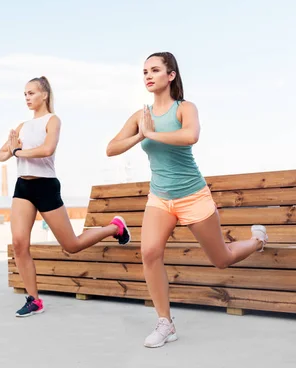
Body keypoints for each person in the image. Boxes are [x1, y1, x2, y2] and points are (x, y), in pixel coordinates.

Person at [106, 52, 268, 348]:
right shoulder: (141, 116)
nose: (148, 76)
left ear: (171, 75)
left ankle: (257, 241)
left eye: (155, 70)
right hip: (160, 197)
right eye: (144, 72)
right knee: (150, 253)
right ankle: (165, 322)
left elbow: (190, 136)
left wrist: (151, 134)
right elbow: (111, 148)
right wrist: (140, 134)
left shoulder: (185, 109)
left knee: (222, 259)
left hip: (193, 195)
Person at [0, 76, 131, 318]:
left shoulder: (53, 120)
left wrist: (17, 150)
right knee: (19, 243)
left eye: (31, 93)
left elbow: (46, 150)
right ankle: (34, 300)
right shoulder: (21, 126)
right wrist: (10, 146)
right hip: (23, 188)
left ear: (44, 95)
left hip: (46, 187)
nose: (27, 98)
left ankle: (114, 227)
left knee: (72, 245)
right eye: (25, 94)